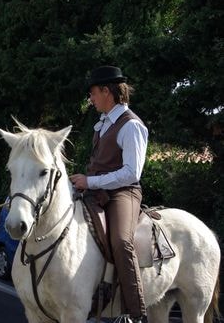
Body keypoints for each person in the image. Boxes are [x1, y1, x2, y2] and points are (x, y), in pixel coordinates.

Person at [69, 66, 148, 322]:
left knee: (122, 241)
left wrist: (90, 181)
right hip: (97, 189)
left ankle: (135, 312)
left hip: (124, 193)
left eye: (92, 93)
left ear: (107, 91)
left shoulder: (131, 126)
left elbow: (131, 173)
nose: (90, 99)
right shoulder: (103, 124)